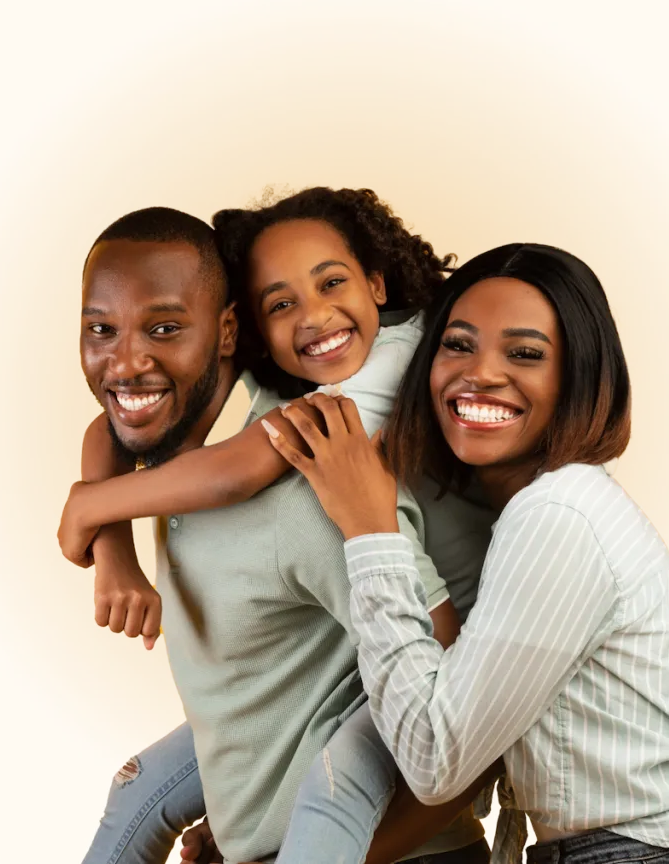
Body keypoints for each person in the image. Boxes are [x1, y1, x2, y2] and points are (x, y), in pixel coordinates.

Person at [266, 243, 669, 864]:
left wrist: (371, 530)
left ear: (578, 375)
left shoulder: (559, 515)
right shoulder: (547, 507)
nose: (481, 373)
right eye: (458, 344)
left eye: (525, 354)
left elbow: (434, 759)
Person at [70, 199, 498, 864]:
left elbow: (461, 714)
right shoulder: (181, 440)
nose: (127, 364)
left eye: (163, 329)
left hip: (395, 846)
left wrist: (88, 507)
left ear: (224, 331)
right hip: (286, 814)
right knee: (137, 793)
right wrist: (111, 543)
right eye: (102, 330)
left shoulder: (315, 461)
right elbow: (110, 432)